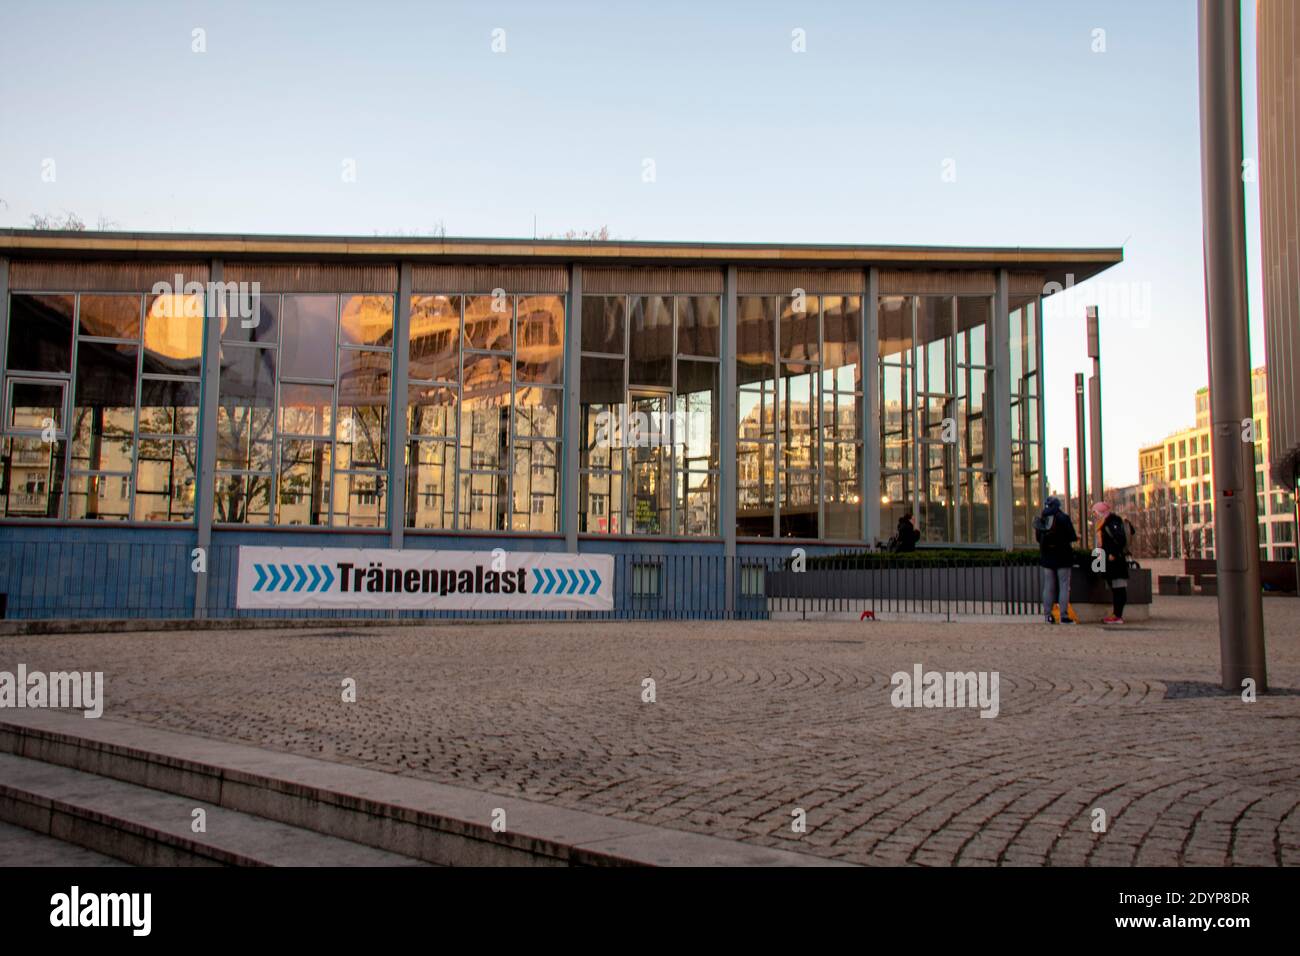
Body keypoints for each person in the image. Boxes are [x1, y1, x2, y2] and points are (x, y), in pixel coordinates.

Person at [1034, 496, 1078, 623]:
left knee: (1048, 586)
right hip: (1063, 555)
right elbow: (1072, 536)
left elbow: (1038, 538)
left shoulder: (1042, 519)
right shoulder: (1063, 518)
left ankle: (1048, 615)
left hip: (1047, 556)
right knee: (1064, 585)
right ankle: (1063, 615)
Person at [1093, 501, 1129, 624]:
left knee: (1118, 588)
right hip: (1109, 559)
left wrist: (1113, 553)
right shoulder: (1103, 523)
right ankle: (1116, 614)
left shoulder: (1112, 522)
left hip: (1115, 560)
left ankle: (1117, 615)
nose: (1095, 515)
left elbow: (1119, 539)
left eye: (1095, 512)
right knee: (1115, 588)